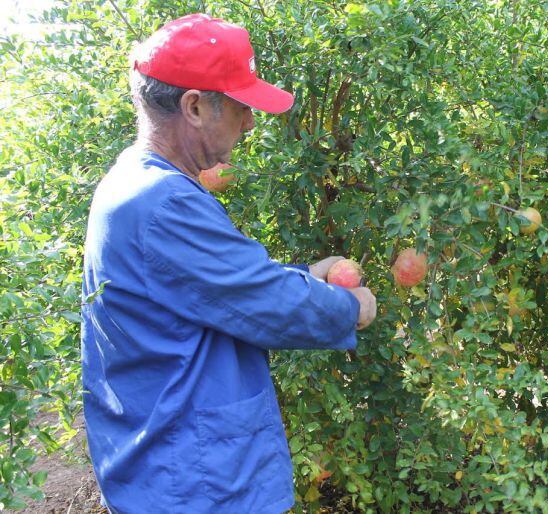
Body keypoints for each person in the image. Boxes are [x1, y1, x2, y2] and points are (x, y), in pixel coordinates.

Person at [80, 13, 377, 514]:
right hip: (193, 482)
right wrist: (349, 308)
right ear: (194, 106)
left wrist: (305, 277)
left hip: (172, 466)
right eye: (241, 107)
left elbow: (217, 289)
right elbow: (265, 303)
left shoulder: (135, 183)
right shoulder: (161, 202)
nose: (251, 121)